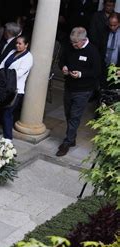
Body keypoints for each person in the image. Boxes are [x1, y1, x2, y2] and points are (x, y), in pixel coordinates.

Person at [56, 27, 101, 157]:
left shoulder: (92, 51)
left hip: (83, 90)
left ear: (84, 39)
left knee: (75, 116)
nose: (74, 45)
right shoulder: (70, 47)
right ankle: (72, 138)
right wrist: (63, 67)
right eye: (72, 43)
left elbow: (96, 71)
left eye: (76, 43)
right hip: (69, 86)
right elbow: (62, 60)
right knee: (68, 114)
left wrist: (81, 74)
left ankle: (67, 142)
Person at [0, 35, 33, 140]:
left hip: (16, 89)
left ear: (26, 45)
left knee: (8, 113)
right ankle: (5, 134)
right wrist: (4, 73)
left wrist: (4, 73)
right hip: (3, 87)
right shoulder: (12, 52)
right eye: (16, 43)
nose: (17, 45)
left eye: (20, 44)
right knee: (2, 111)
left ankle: (8, 139)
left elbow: (18, 74)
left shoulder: (28, 57)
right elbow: (2, 65)